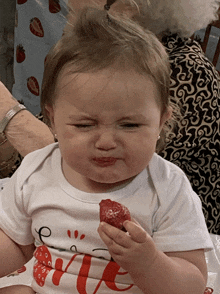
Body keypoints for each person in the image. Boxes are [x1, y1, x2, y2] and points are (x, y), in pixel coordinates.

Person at [0, 3, 213, 294]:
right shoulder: (37, 170)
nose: (106, 142)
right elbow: (16, 244)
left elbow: (192, 284)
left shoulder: (166, 187)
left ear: (162, 121)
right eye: (84, 126)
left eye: (129, 126)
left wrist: (148, 262)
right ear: (52, 119)